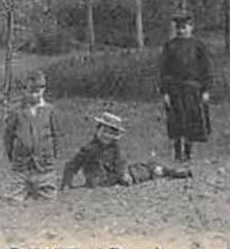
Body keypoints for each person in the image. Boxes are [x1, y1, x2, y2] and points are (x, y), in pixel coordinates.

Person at [60, 111, 192, 189]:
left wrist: (123, 173)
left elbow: (121, 161)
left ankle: (169, 171)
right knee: (139, 171)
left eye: (111, 133)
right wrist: (67, 183)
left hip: (117, 175)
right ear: (97, 130)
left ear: (116, 136)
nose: (107, 136)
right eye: (104, 131)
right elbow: (72, 165)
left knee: (146, 169)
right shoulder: (88, 149)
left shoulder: (115, 148)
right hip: (102, 179)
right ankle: (162, 170)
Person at [158, 12, 213, 162]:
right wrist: (165, 92)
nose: (182, 30)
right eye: (179, 28)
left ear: (191, 27)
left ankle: (188, 153)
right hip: (174, 89)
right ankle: (177, 152)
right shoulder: (170, 46)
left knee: (191, 121)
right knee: (176, 121)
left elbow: (206, 68)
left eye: (185, 27)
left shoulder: (198, 46)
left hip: (193, 89)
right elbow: (164, 70)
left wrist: (206, 90)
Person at [3, 72, 60, 199]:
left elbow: (55, 135)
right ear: (24, 90)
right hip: (21, 166)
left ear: (43, 90)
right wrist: (13, 156)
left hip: (45, 165)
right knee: (14, 198)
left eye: (38, 91)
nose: (34, 95)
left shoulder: (49, 110)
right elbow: (8, 137)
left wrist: (52, 155)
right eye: (30, 91)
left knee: (47, 198)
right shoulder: (16, 111)